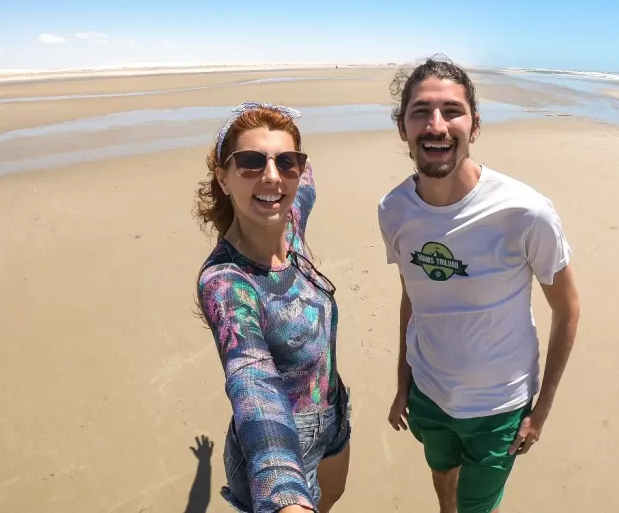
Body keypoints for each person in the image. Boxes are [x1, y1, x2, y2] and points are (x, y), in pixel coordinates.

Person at [378, 58, 581, 513]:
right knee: (441, 474)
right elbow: (413, 293)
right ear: (402, 128)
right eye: (420, 111)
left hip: (500, 407)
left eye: (451, 110)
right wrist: (402, 384)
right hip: (428, 392)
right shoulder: (394, 210)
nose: (436, 125)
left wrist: (541, 412)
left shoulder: (526, 213)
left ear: (475, 126)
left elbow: (567, 311)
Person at [195, 103, 351, 513]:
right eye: (249, 162)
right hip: (279, 441)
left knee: (330, 500)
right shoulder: (227, 284)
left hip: (333, 417)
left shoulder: (291, 221)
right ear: (223, 178)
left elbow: (306, 180)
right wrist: (284, 496)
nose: (271, 175)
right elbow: (252, 382)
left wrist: (286, 129)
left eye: (286, 162)